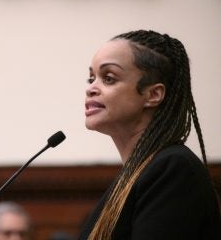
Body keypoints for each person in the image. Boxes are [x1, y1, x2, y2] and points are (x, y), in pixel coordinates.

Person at [79, 30, 221, 240]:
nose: (91, 88)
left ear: (153, 95)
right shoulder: (132, 175)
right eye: (91, 78)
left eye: (108, 78)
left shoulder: (173, 169)